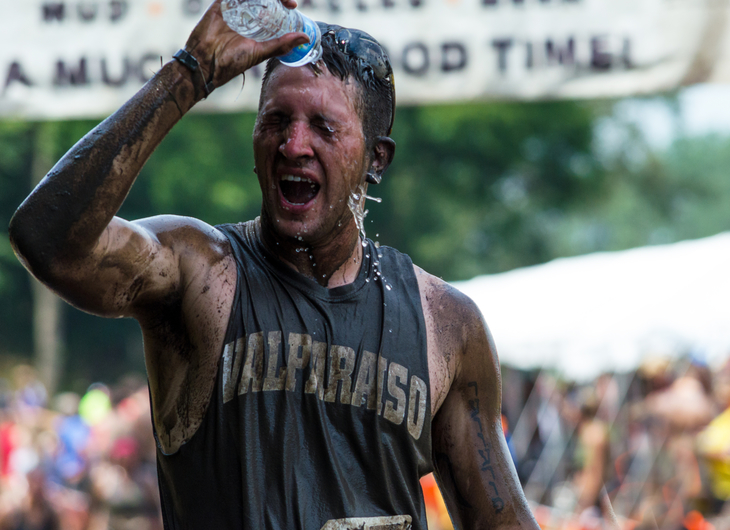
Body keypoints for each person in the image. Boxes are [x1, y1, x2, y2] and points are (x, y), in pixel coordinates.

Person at [8, 1, 539, 529]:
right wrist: (190, 73)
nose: (293, 145)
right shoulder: (201, 273)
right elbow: (47, 240)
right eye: (277, 121)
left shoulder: (443, 325)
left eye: (324, 128)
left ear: (376, 160)